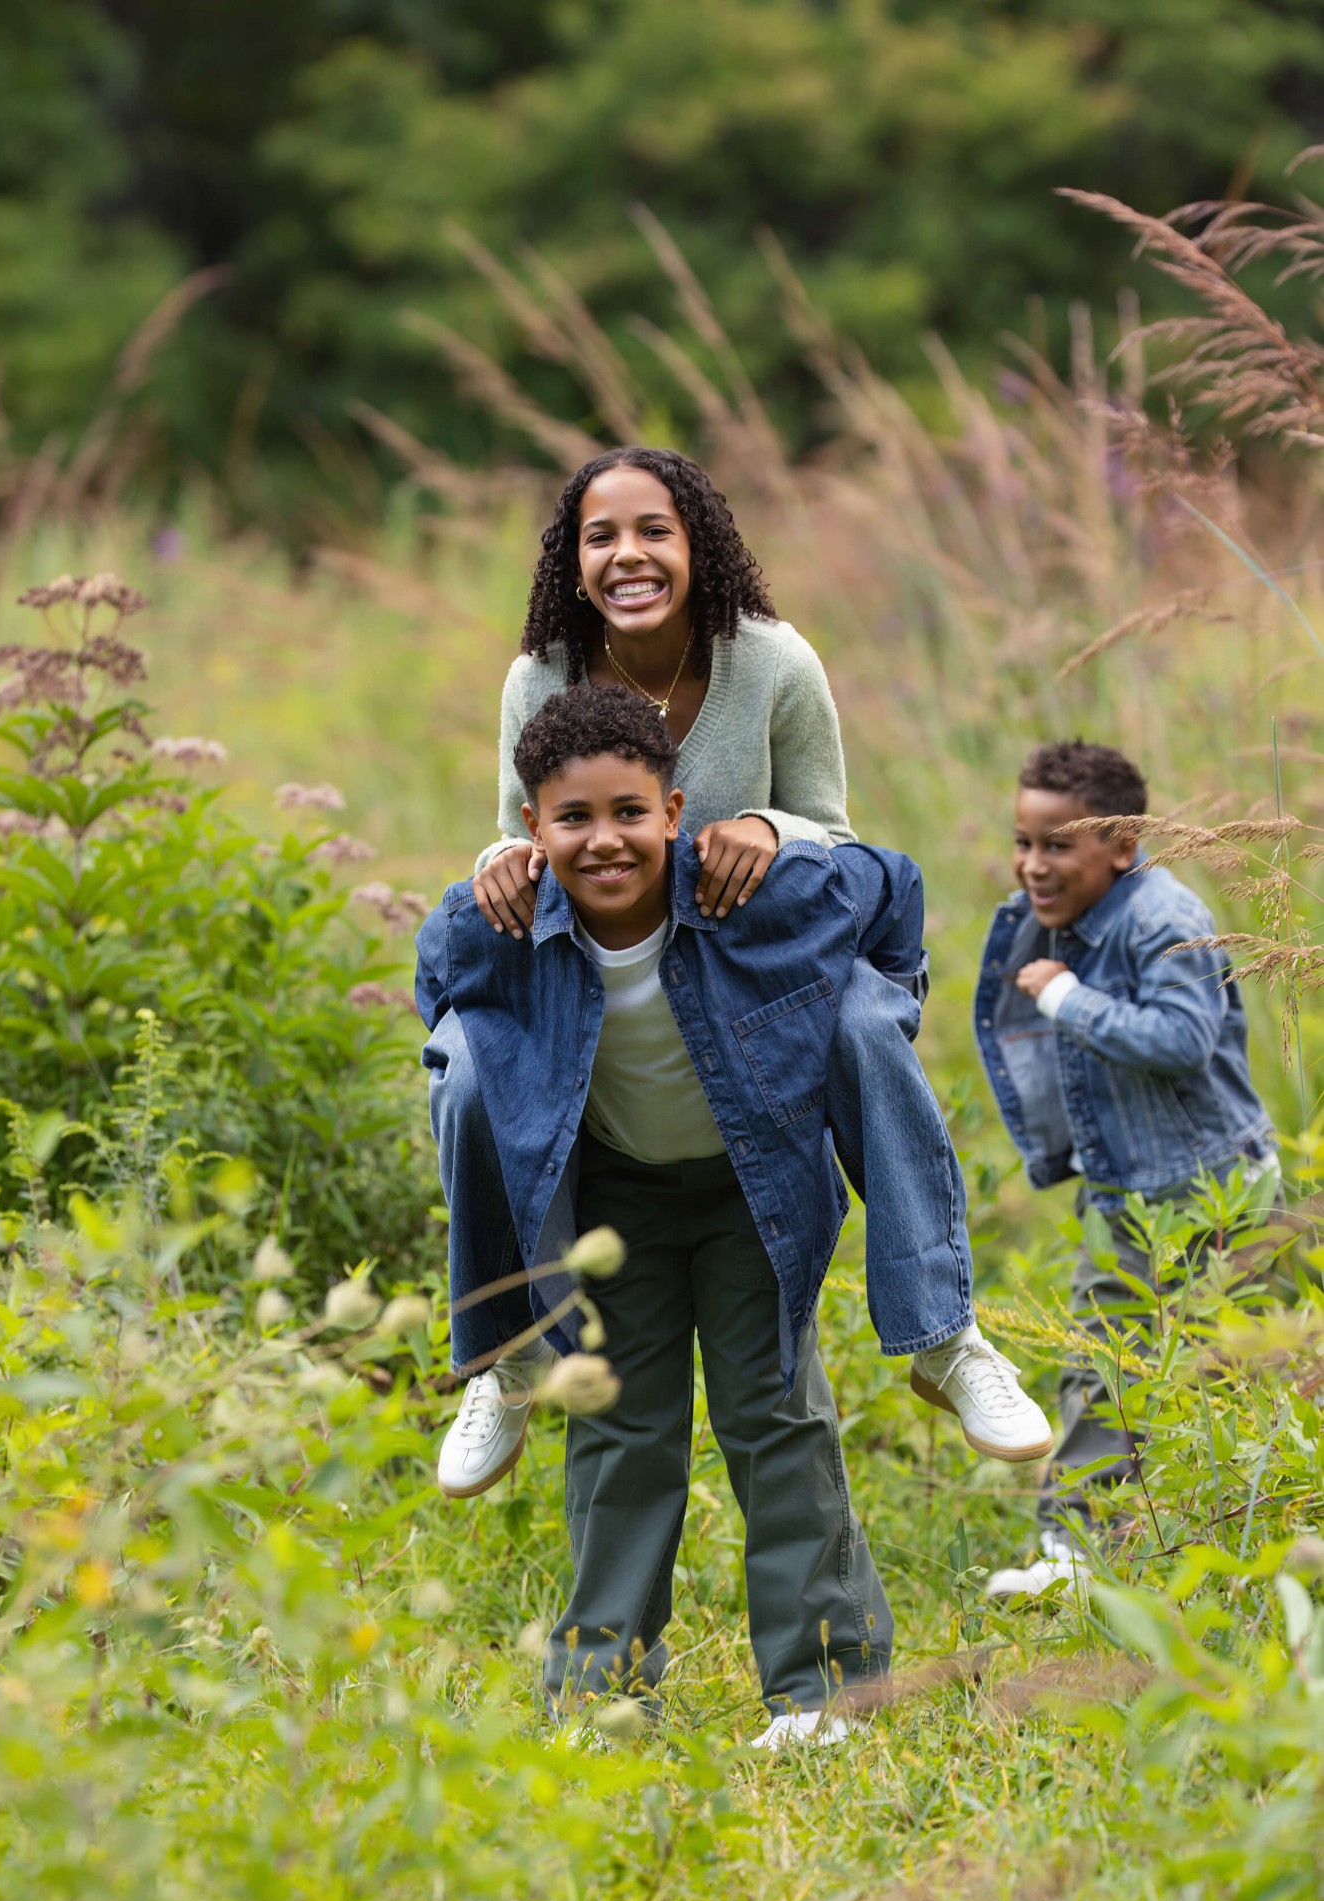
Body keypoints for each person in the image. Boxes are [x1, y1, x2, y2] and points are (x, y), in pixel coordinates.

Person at [415, 687, 1051, 1739]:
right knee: (623, 1435)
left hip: (750, 1186)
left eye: (630, 812)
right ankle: (600, 1690)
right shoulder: (498, 919)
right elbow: (441, 987)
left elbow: (891, 891)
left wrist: (852, 1015)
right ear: (530, 831)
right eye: (573, 819)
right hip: (615, 1197)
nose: (605, 840)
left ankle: (823, 1689)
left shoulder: (756, 891)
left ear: (674, 810)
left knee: (775, 1419)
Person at [428, 444, 1039, 1492]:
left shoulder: (773, 662)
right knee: (469, 1064)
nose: (629, 554)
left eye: (652, 530)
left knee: (859, 1024)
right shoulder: (539, 676)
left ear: (696, 542)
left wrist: (766, 821)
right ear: (571, 561)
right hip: (604, 966)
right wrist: (497, 861)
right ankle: (510, 1347)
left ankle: (945, 1334)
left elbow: (835, 832)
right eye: (601, 535)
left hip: (757, 960)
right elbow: (518, 837)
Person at [974, 740, 1278, 1596]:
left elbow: (1183, 1041)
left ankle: (1246, 1537)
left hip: (1213, 1184)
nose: (1033, 865)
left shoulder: (1164, 919)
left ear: (1124, 843)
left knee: (1227, 1358)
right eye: (1023, 842)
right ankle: (1075, 1552)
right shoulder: (1060, 914)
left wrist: (1065, 997)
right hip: (1127, 1190)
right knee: (1098, 1360)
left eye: (1056, 844)